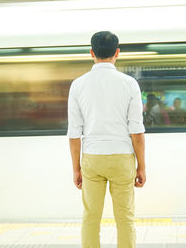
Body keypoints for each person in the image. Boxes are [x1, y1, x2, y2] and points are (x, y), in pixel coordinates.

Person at [67, 31, 146, 248]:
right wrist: (141, 166)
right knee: (125, 218)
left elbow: (74, 133)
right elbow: (136, 130)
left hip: (92, 158)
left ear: (91, 53)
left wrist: (76, 168)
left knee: (91, 217)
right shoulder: (129, 84)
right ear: (117, 53)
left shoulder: (78, 85)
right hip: (122, 158)